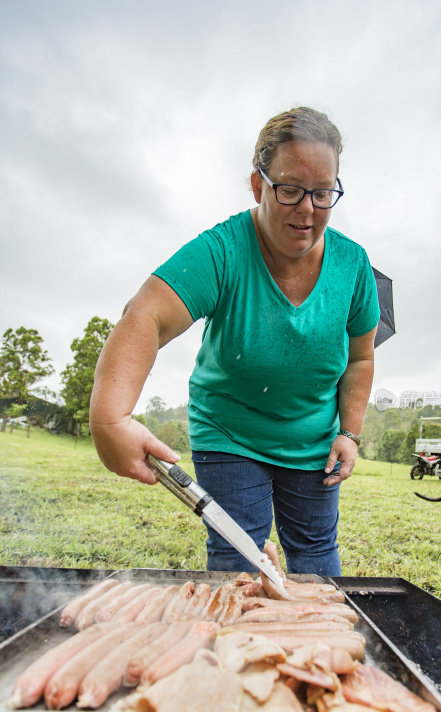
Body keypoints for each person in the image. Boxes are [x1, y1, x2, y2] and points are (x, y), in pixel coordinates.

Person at [89, 106, 380, 577]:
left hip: (313, 440)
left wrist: (349, 432)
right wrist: (109, 419)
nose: (307, 209)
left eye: (323, 193)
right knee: (238, 564)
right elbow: (146, 318)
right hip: (230, 433)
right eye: (289, 189)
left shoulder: (353, 265)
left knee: (316, 561)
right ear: (258, 184)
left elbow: (361, 358)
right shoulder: (222, 249)